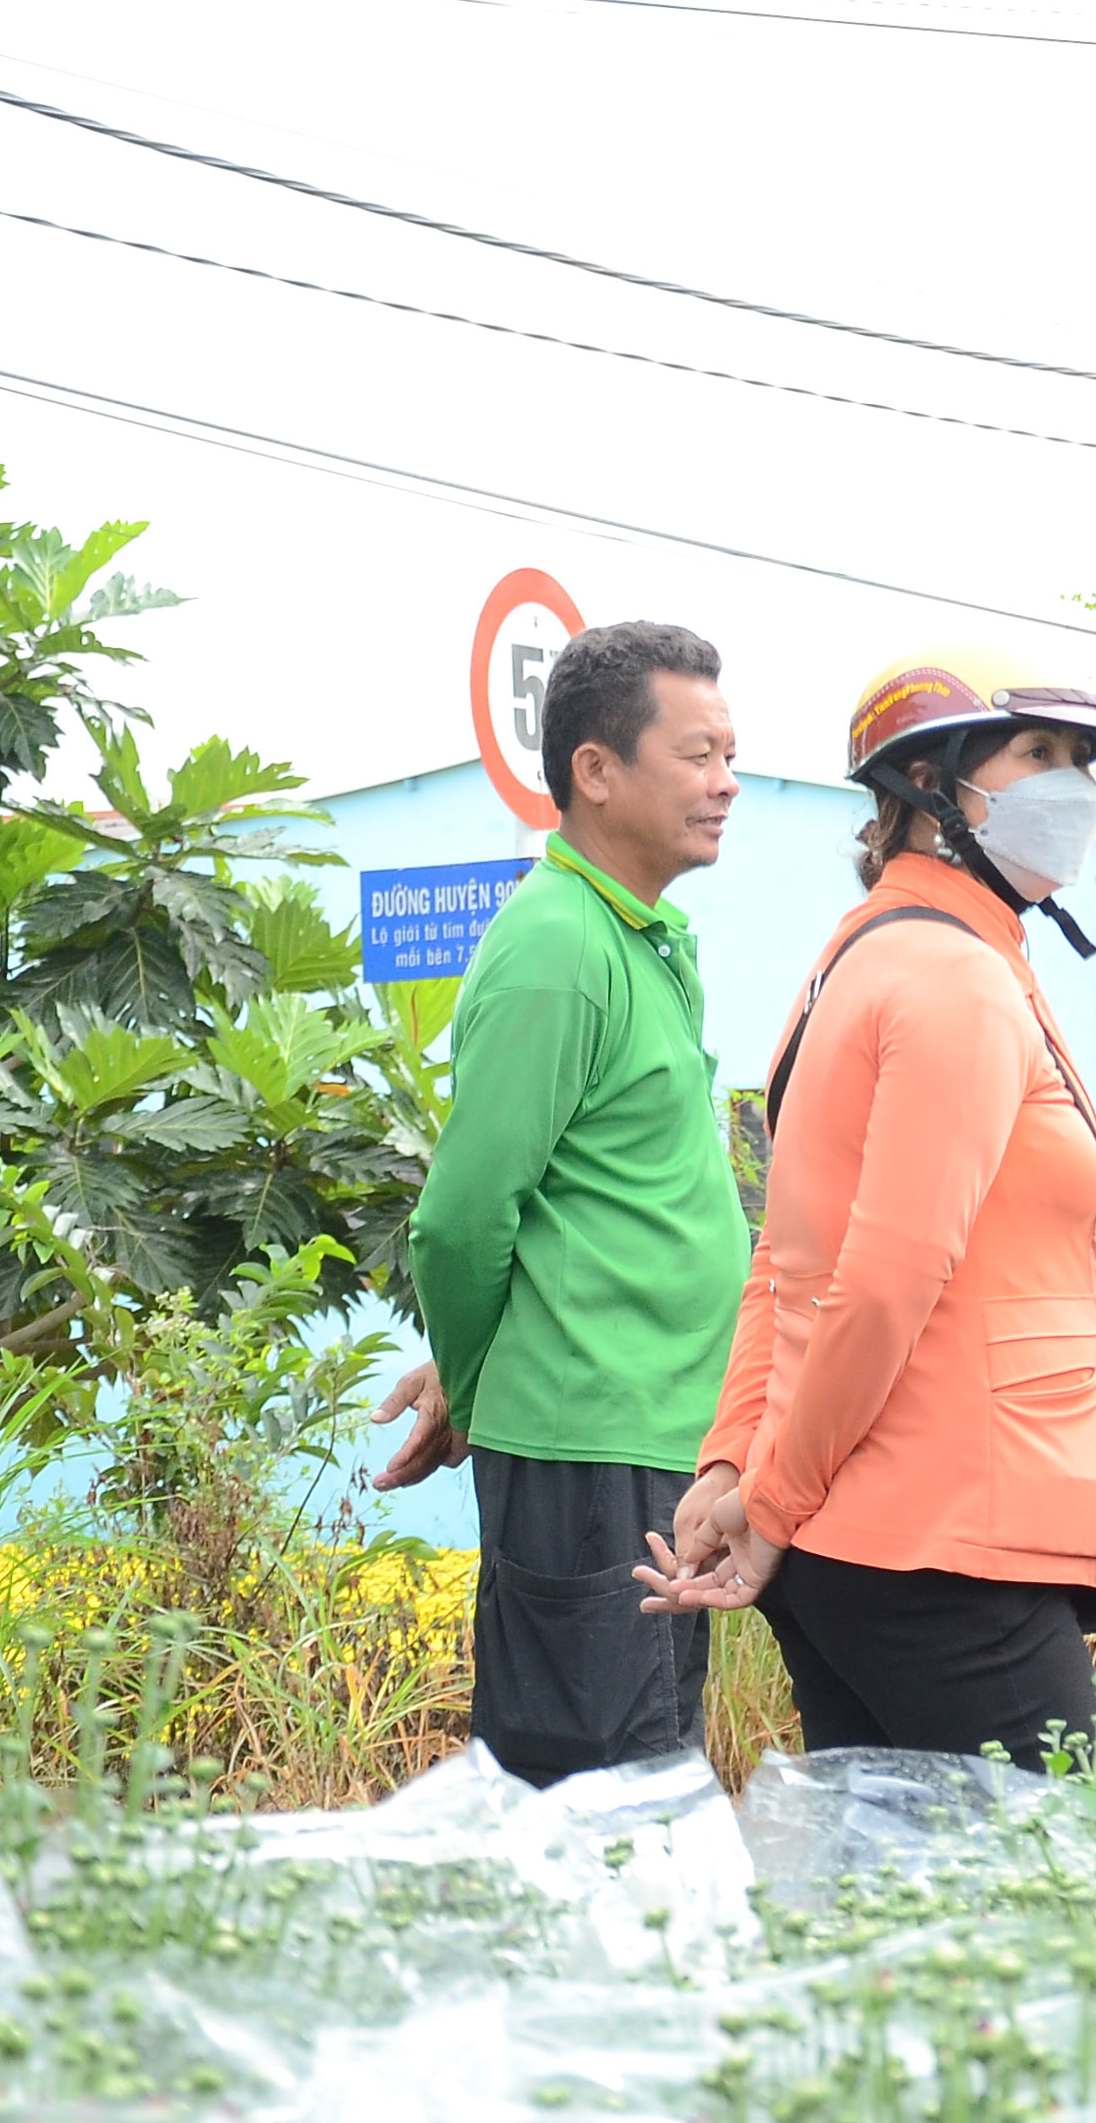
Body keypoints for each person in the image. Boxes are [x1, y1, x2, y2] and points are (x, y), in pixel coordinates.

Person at [632, 648, 1096, 1768]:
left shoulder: (861, 960)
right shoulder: (953, 981)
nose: (1073, 790)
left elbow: (786, 1256)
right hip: (949, 1537)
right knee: (1059, 1901)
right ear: (931, 784)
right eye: (1040, 756)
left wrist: (737, 1468)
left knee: (902, 1906)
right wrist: (763, 1501)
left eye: (1082, 763)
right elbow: (879, 1280)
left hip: (870, 1537)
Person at [377, 620, 747, 1786]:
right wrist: (481, 1389)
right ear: (596, 770)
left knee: (649, 1773)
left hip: (651, 1440)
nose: (727, 783)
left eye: (729, 754)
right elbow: (462, 1218)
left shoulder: (642, 937)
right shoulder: (555, 946)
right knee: (601, 1798)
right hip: (589, 1451)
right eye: (697, 755)